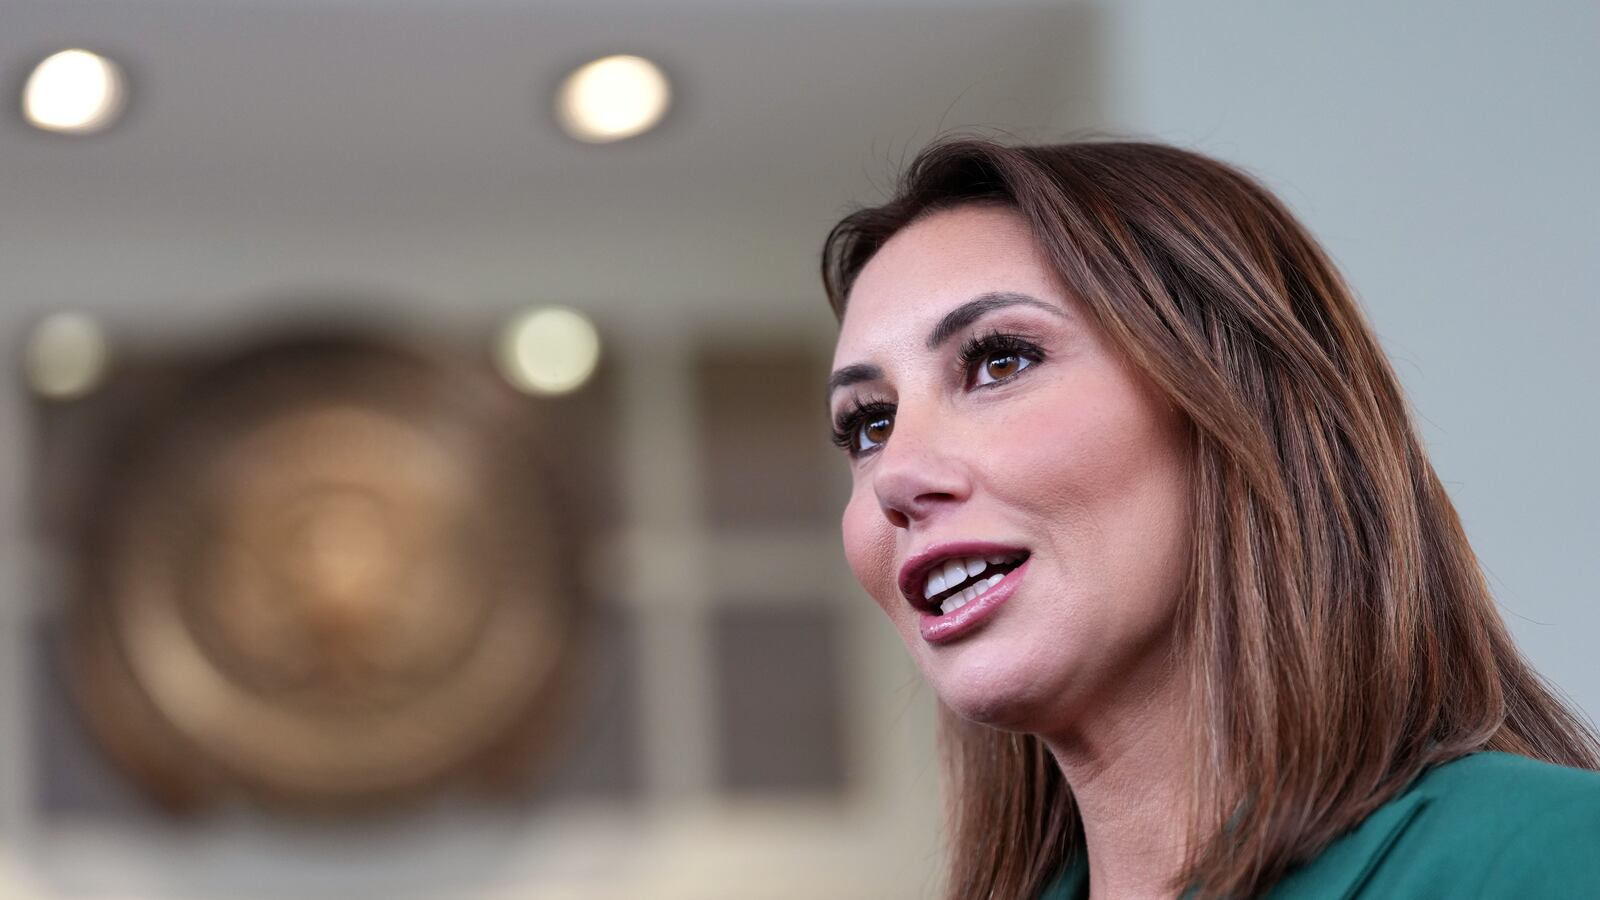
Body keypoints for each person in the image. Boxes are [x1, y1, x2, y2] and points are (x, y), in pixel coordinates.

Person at [820, 138, 1600, 899]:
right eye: (869, 425)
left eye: (1000, 361)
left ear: (1241, 402)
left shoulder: (1555, 858)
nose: (896, 475)